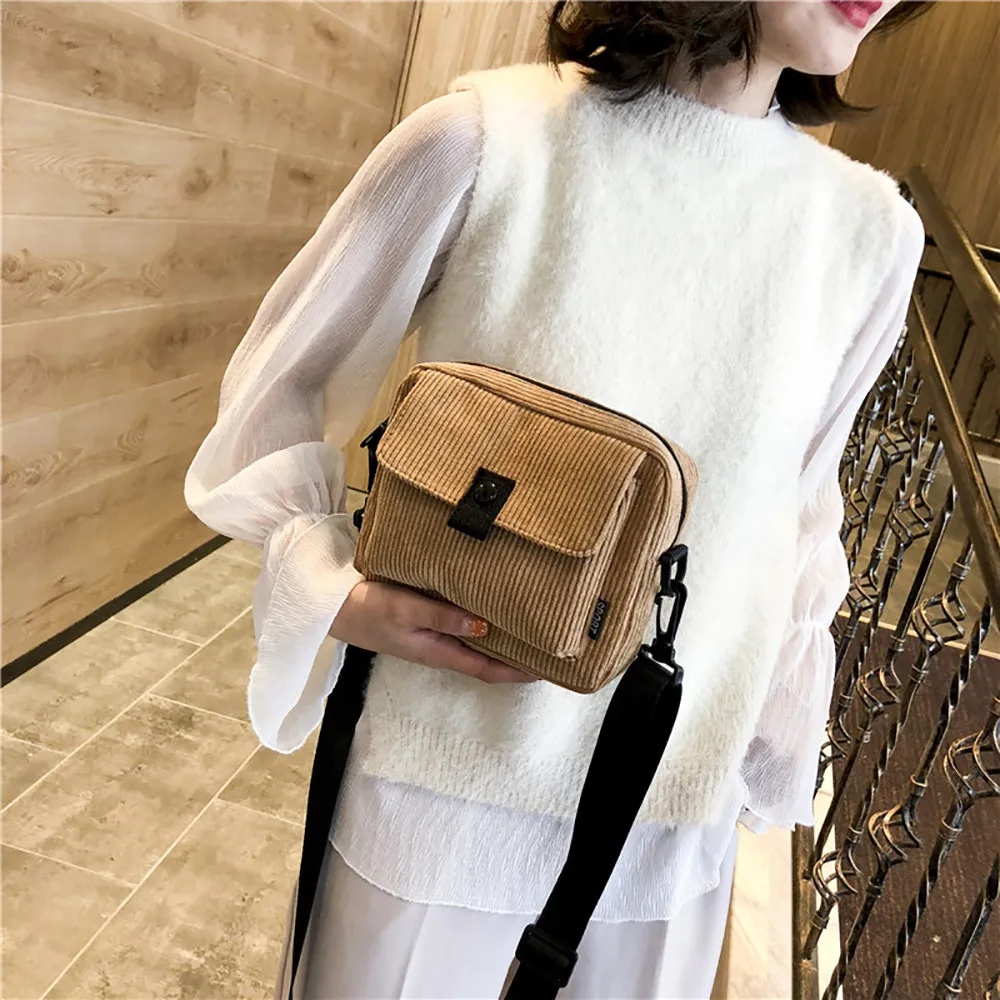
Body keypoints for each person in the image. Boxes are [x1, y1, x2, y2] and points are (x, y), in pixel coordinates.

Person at [185, 2, 934, 996]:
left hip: (666, 818)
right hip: (439, 787)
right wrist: (333, 590)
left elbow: (797, 520)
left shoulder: (869, 235)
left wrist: (760, 756)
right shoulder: (488, 140)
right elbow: (280, 383)